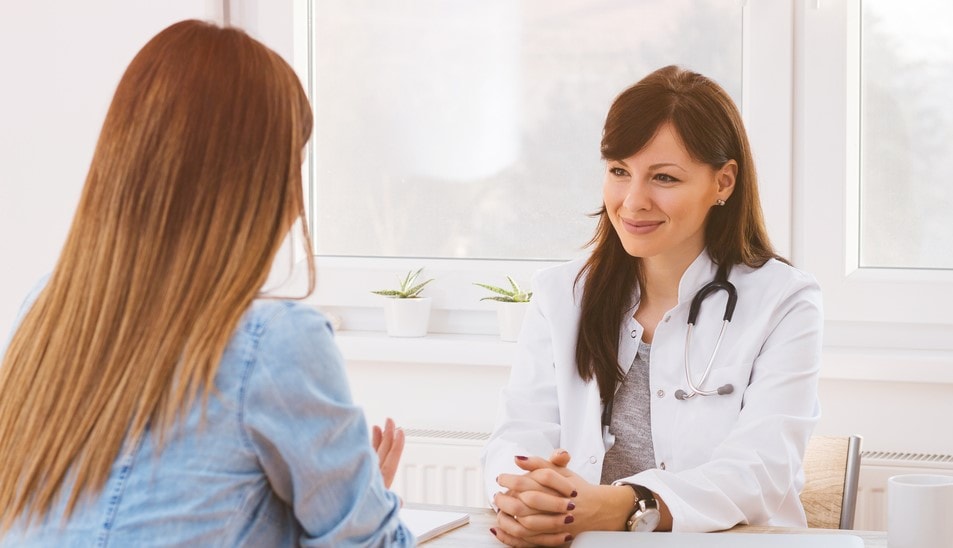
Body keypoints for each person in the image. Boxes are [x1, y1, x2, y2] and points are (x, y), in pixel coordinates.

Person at [0, 20, 413, 547]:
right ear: (253, 184)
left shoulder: (44, 311)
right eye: (291, 167)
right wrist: (362, 501)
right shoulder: (273, 341)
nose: (294, 205)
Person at [482, 65, 823, 546]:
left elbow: (760, 472)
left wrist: (626, 504)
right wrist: (525, 496)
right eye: (619, 172)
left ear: (723, 183)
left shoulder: (785, 302)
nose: (632, 201)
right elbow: (517, 434)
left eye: (663, 177)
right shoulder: (563, 294)